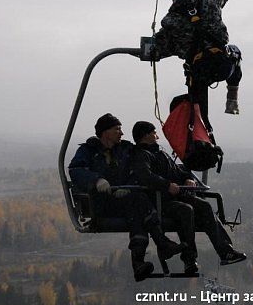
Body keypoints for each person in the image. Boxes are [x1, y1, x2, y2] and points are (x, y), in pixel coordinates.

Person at [68, 113, 185, 281]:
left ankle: (139, 264)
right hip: (101, 203)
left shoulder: (125, 149)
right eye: (117, 129)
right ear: (105, 132)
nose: (121, 133)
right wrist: (96, 180)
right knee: (139, 203)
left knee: (137, 211)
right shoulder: (88, 151)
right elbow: (76, 170)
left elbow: (139, 167)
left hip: (124, 199)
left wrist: (129, 186)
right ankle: (161, 243)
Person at [130, 121, 246, 274]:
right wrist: (166, 185)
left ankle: (225, 251)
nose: (156, 136)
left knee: (204, 206)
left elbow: (176, 169)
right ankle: (189, 258)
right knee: (186, 210)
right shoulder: (141, 155)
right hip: (160, 201)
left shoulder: (159, 152)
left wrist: (186, 178)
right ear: (145, 135)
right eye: (153, 133)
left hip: (175, 196)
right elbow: (146, 176)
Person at [153, 0, 243, 127]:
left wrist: (149, 51)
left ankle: (203, 140)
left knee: (199, 117)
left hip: (198, 72)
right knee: (235, 52)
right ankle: (232, 100)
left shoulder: (170, 21)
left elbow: (160, 47)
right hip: (222, 64)